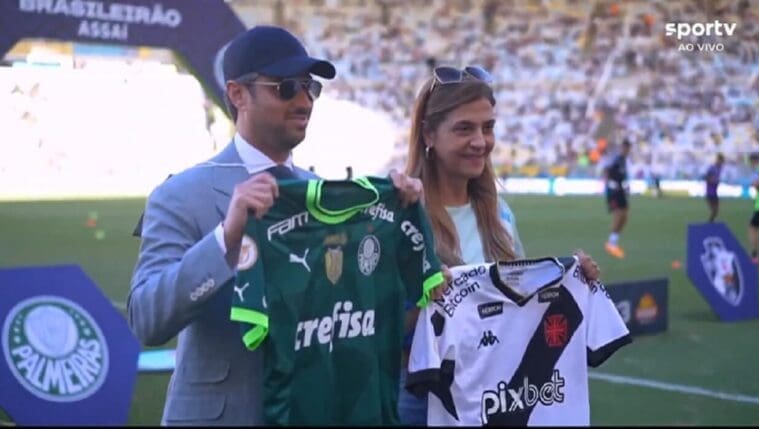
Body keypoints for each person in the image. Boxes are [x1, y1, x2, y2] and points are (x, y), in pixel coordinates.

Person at [127, 25, 424, 425]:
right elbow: (147, 319)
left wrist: (401, 224)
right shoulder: (180, 195)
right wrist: (225, 238)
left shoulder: (327, 198)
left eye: (310, 87)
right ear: (237, 94)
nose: (304, 100)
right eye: (286, 87)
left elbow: (363, 308)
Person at [399, 65, 601, 426]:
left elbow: (519, 315)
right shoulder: (401, 217)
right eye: (465, 128)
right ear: (429, 133)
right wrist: (425, 304)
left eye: (488, 127)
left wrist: (571, 285)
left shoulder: (500, 217)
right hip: (422, 403)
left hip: (494, 399)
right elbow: (374, 332)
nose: (481, 141)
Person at [603, 139, 632, 259]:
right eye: (625, 148)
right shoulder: (617, 160)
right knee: (618, 215)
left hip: (621, 192)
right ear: (622, 148)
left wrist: (625, 186)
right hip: (614, 192)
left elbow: (622, 176)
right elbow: (607, 171)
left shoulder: (624, 161)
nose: (627, 150)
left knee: (624, 216)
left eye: (628, 148)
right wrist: (610, 185)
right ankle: (611, 244)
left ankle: (614, 240)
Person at [704, 153, 726, 222]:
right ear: (718, 160)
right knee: (714, 210)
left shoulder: (720, 168)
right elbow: (706, 178)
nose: (722, 163)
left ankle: (711, 223)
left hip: (715, 192)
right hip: (709, 192)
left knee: (716, 210)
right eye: (721, 161)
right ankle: (710, 223)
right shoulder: (712, 168)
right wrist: (714, 181)